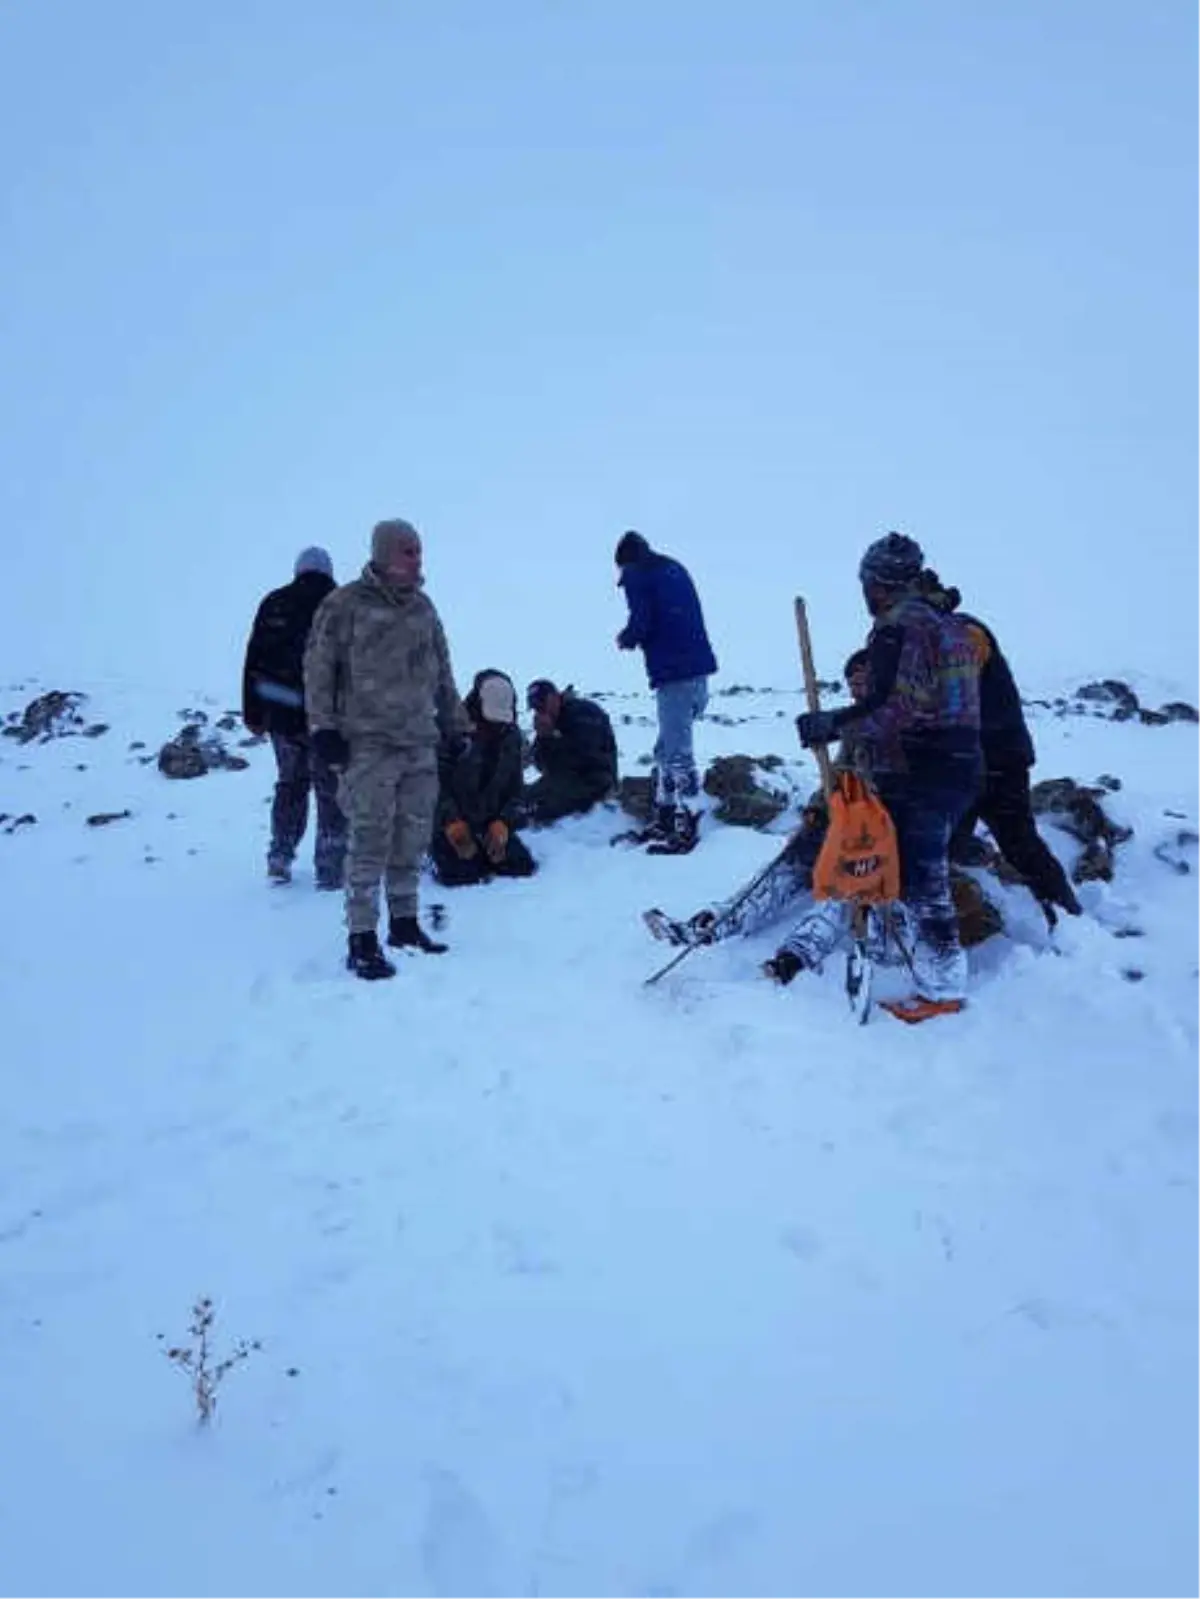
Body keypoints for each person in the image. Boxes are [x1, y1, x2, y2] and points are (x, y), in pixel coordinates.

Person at [797, 532, 983, 1023]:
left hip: (922, 763)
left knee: (924, 876)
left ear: (877, 583)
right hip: (962, 761)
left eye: (866, 583)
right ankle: (900, 950)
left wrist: (833, 723)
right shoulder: (947, 623)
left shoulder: (898, 627)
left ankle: (943, 986)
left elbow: (897, 709)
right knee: (912, 865)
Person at [304, 518, 471, 980]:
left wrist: (456, 724)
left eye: (419, 550)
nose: (417, 559)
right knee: (370, 838)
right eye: (407, 551)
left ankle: (404, 923)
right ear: (382, 553)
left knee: (411, 837)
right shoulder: (344, 606)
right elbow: (318, 669)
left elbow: (443, 670)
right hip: (367, 743)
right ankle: (361, 938)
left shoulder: (423, 609)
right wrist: (322, 728)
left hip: (419, 740)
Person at [918, 571, 1082, 924]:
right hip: (969, 762)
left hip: (996, 759)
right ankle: (965, 917)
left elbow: (954, 692)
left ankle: (1068, 917)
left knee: (1017, 841)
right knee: (947, 841)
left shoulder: (963, 632)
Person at [242, 546, 346, 888]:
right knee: (330, 789)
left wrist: (254, 713)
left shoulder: (274, 602)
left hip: (282, 715)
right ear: (328, 571)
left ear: (298, 570)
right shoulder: (342, 604)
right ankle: (330, 867)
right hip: (327, 718)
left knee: (291, 785)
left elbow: (253, 661)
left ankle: (280, 855)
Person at [615, 530, 718, 853]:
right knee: (665, 751)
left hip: (674, 673)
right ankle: (665, 816)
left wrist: (627, 637)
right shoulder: (673, 568)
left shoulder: (637, 574)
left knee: (677, 755)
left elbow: (642, 621)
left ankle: (686, 825)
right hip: (698, 671)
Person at [430, 669, 537, 886]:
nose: (496, 728)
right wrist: (450, 821)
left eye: (501, 723)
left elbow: (516, 790)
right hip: (450, 820)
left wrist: (504, 822)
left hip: (489, 821)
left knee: (520, 865)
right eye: (490, 721)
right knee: (462, 874)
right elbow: (431, 784)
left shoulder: (512, 738)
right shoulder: (448, 731)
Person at [523, 680, 618, 824]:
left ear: (554, 697)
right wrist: (543, 738)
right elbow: (543, 766)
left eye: (542, 705)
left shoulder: (584, 712)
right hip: (565, 780)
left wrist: (551, 737)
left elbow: (586, 759)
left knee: (539, 808)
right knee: (521, 799)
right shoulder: (550, 721)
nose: (540, 711)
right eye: (536, 708)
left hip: (596, 780)